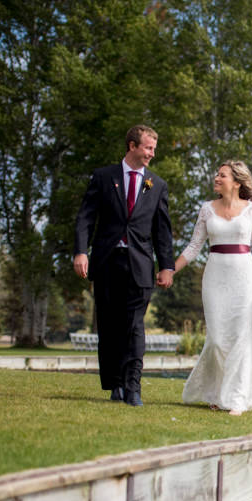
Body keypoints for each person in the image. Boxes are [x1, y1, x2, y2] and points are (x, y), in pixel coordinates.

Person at [73, 125, 175, 407]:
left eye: (153, 149)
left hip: (140, 265)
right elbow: (85, 218)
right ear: (132, 146)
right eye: (148, 148)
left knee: (134, 327)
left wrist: (167, 266)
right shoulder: (104, 177)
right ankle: (115, 384)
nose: (152, 154)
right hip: (106, 261)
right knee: (109, 326)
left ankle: (133, 388)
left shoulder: (157, 185)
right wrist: (81, 252)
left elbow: (162, 232)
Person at [174, 160, 252, 415]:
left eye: (222, 175)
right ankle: (216, 393)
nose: (216, 178)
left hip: (244, 277)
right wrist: (170, 270)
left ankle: (237, 398)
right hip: (215, 277)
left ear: (237, 182)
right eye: (217, 175)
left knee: (241, 338)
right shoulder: (207, 209)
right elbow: (194, 246)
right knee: (217, 340)